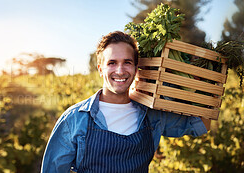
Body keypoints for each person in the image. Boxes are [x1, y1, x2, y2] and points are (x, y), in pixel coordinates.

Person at [41, 31, 210, 173]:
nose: (120, 71)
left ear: (136, 69)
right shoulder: (75, 119)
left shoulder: (151, 115)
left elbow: (201, 125)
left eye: (127, 63)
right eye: (112, 63)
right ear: (100, 69)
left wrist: (202, 81)